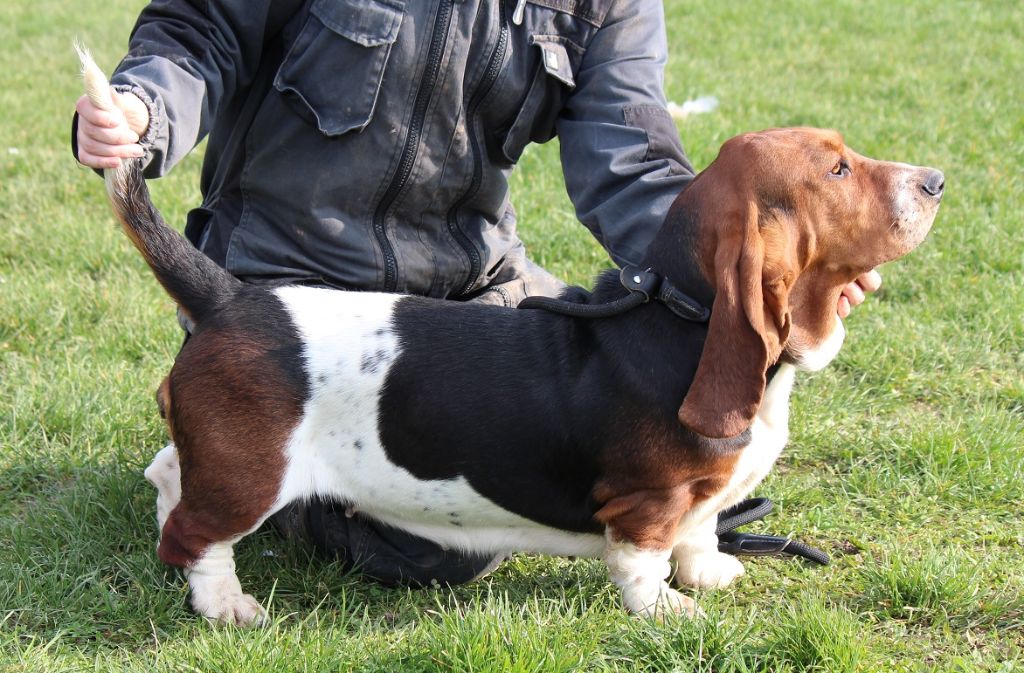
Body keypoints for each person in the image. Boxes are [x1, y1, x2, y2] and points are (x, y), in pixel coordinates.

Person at [74, 0, 880, 587]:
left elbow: (632, 163)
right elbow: (202, 28)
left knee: (627, 393)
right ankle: (251, 443)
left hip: (467, 287)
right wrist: (142, 109)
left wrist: (785, 276)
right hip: (280, 297)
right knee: (440, 548)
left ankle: (233, 441)